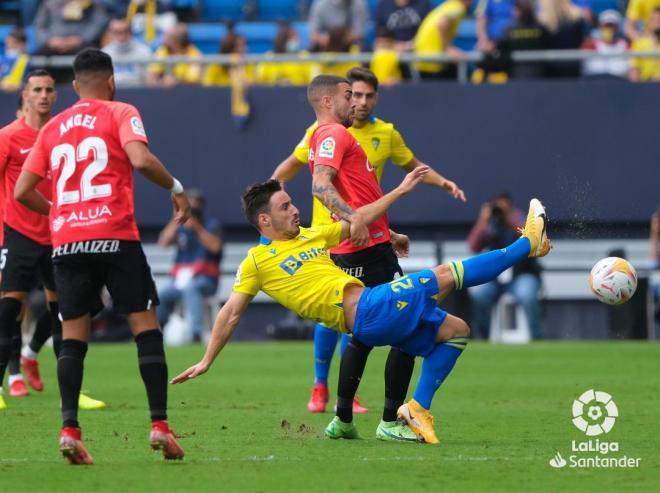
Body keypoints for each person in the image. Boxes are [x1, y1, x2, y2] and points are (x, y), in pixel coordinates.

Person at [171, 178, 551, 445]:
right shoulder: (256, 261)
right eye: (285, 206)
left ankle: (417, 407)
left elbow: (360, 220)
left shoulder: (309, 235)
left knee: (456, 330)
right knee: (443, 275)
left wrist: (393, 223)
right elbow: (231, 312)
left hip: (369, 316)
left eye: (292, 202)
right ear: (265, 221)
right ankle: (525, 246)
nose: (296, 209)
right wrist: (207, 359)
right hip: (365, 312)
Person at [15, 48, 191, 465]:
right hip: (115, 236)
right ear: (110, 81)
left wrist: (60, 213)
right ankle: (159, 426)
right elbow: (140, 159)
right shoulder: (119, 111)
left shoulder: (53, 127)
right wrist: (176, 188)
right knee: (145, 329)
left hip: (69, 243)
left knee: (73, 339)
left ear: (75, 86)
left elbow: (23, 190)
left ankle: (70, 430)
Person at [272, 69, 466, 429]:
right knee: (407, 327)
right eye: (350, 95)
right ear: (331, 100)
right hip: (353, 241)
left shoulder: (378, 133)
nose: (356, 102)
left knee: (358, 330)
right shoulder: (330, 134)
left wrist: (384, 228)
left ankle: (342, 414)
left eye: (363, 95)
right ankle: (389, 418)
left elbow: (369, 187)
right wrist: (353, 219)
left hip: (366, 236)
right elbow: (319, 183)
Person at [0, 70, 105, 411]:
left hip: (60, 233)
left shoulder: (64, 134)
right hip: (18, 234)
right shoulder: (8, 137)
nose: (44, 95)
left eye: (49, 90)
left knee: (67, 310)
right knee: (9, 308)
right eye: (37, 90)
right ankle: (4, 381)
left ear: (56, 96)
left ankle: (71, 393)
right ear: (25, 96)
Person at [467, 192, 543, 340]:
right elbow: (473, 246)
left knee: (527, 295)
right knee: (479, 294)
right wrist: (483, 221)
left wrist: (509, 218)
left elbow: (532, 238)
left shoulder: (521, 220)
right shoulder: (490, 225)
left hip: (521, 275)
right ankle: (483, 337)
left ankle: (537, 336)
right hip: (494, 279)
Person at [157, 190, 223, 343]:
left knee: (191, 289)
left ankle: (196, 334)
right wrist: (176, 219)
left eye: (194, 206)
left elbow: (215, 247)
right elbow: (163, 243)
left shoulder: (211, 224)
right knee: (163, 293)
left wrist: (196, 228)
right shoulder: (180, 226)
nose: (191, 210)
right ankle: (156, 331)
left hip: (205, 279)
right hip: (179, 279)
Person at [413, 0, 472, 79]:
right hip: (434, 60)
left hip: (422, 59)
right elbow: (442, 23)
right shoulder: (458, 7)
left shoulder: (447, 5)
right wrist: (448, 48)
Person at [33, 0, 110, 56]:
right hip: (53, 44)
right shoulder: (49, 3)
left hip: (81, 44)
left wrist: (80, 39)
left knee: (94, 55)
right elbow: (40, 25)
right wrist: (50, 41)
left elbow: (99, 23)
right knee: (34, 57)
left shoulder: (93, 3)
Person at [538, 0, 588, 78]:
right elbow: (581, 41)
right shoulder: (578, 18)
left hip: (551, 66)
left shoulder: (542, 23)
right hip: (572, 64)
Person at [147, 23, 202, 87]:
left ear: (176, 43)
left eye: (167, 38)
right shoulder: (163, 50)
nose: (164, 41)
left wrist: (175, 83)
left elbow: (193, 82)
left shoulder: (194, 55)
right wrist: (161, 82)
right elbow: (151, 78)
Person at [101, 18, 152, 88]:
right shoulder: (103, 55)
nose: (122, 36)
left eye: (125, 31)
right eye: (117, 32)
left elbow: (151, 81)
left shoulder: (145, 52)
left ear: (131, 32)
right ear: (110, 33)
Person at [581, 10, 629, 80]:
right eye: (606, 26)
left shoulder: (625, 46)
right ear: (600, 27)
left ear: (618, 28)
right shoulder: (591, 46)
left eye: (612, 26)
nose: (609, 29)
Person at [629, 8, 660, 82]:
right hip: (646, 87)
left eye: (659, 21)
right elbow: (634, 70)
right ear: (649, 22)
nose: (657, 24)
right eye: (654, 20)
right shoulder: (639, 43)